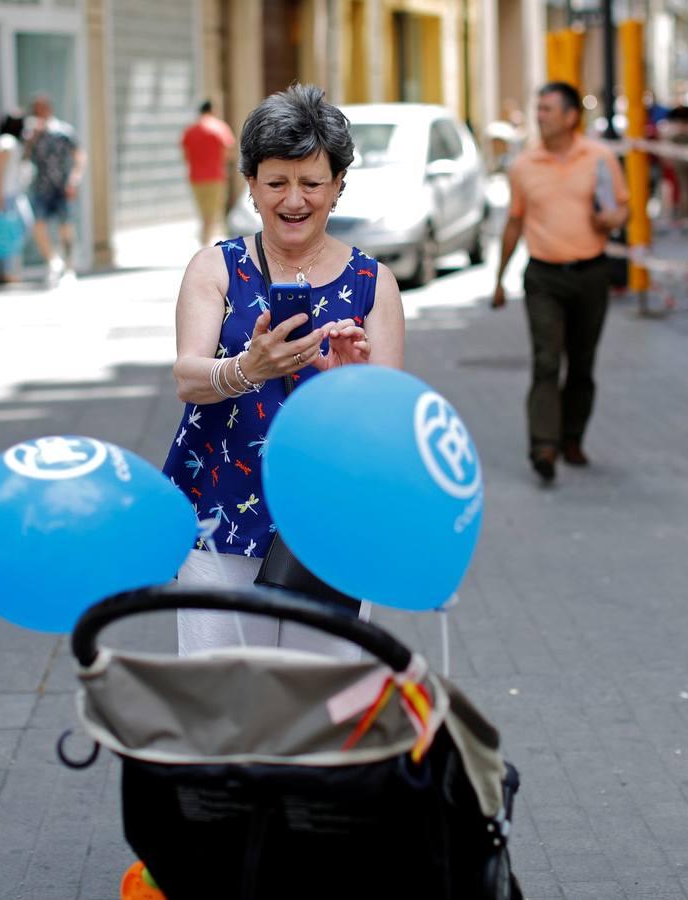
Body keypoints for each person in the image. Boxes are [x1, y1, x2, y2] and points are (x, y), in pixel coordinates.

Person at [161, 84, 404, 657]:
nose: (294, 200)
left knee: (320, 710)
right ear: (250, 184)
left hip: (330, 525)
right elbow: (186, 377)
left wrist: (351, 384)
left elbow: (392, 430)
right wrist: (249, 367)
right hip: (217, 520)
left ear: (339, 185)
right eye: (276, 183)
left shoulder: (375, 284)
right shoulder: (215, 268)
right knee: (215, 700)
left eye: (312, 183)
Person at [491, 82, 629, 483]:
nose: (540, 115)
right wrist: (499, 279)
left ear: (571, 116)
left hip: (591, 273)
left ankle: (571, 437)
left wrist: (612, 220)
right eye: (538, 108)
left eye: (548, 109)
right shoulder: (523, 165)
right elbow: (514, 221)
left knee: (582, 365)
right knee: (547, 361)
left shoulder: (600, 158)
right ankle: (543, 447)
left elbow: (622, 208)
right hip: (543, 277)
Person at [25, 94, 85, 282]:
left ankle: (69, 267)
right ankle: (52, 261)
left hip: (62, 186)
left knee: (66, 227)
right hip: (41, 187)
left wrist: (75, 180)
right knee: (38, 225)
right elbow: (25, 159)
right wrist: (32, 137)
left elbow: (79, 156)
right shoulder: (32, 134)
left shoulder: (63, 131)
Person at [181, 99, 236, 246]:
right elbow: (228, 151)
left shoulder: (190, 130)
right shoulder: (219, 127)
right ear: (213, 110)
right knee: (213, 211)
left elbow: (185, 155)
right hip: (215, 176)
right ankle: (206, 241)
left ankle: (205, 239)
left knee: (204, 210)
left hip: (195, 177)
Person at [0, 113, 31, 285]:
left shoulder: (12, 142)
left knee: (17, 228)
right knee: (10, 231)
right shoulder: (6, 142)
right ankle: (7, 272)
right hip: (6, 193)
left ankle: (9, 270)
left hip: (13, 193)